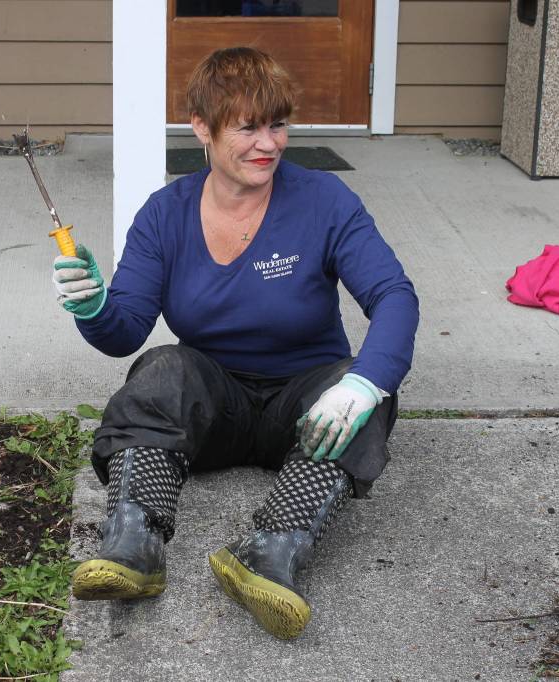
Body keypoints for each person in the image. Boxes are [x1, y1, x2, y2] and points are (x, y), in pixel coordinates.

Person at [51, 46, 419, 640]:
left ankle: (269, 552)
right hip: (211, 407)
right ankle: (133, 545)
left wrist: (362, 383)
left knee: (373, 393)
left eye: (278, 124)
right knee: (162, 367)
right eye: (248, 127)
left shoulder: (325, 201)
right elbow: (123, 333)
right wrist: (91, 304)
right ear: (202, 127)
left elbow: (395, 296)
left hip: (308, 409)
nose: (268, 143)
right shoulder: (164, 215)